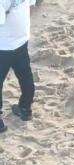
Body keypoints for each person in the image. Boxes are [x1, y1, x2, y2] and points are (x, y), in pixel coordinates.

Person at [0, 0, 36, 134]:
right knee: (25, 74)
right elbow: (31, 7)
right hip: (21, 39)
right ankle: (25, 108)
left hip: (3, 45)